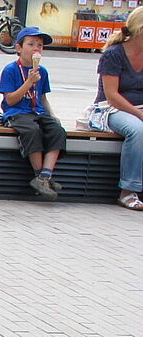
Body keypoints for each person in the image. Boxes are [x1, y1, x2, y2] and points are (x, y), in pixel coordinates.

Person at [0, 26, 66, 200]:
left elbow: (42, 98)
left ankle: (45, 175)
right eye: (31, 44)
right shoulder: (10, 70)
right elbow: (10, 100)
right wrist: (28, 82)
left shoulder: (43, 71)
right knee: (32, 131)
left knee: (57, 131)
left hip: (38, 111)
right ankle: (38, 174)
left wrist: (52, 115)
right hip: (17, 112)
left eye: (40, 45)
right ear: (19, 48)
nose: (36, 48)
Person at [95, 6, 143, 210]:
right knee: (138, 130)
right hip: (111, 109)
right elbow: (112, 96)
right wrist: (139, 113)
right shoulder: (114, 54)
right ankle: (128, 190)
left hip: (139, 108)